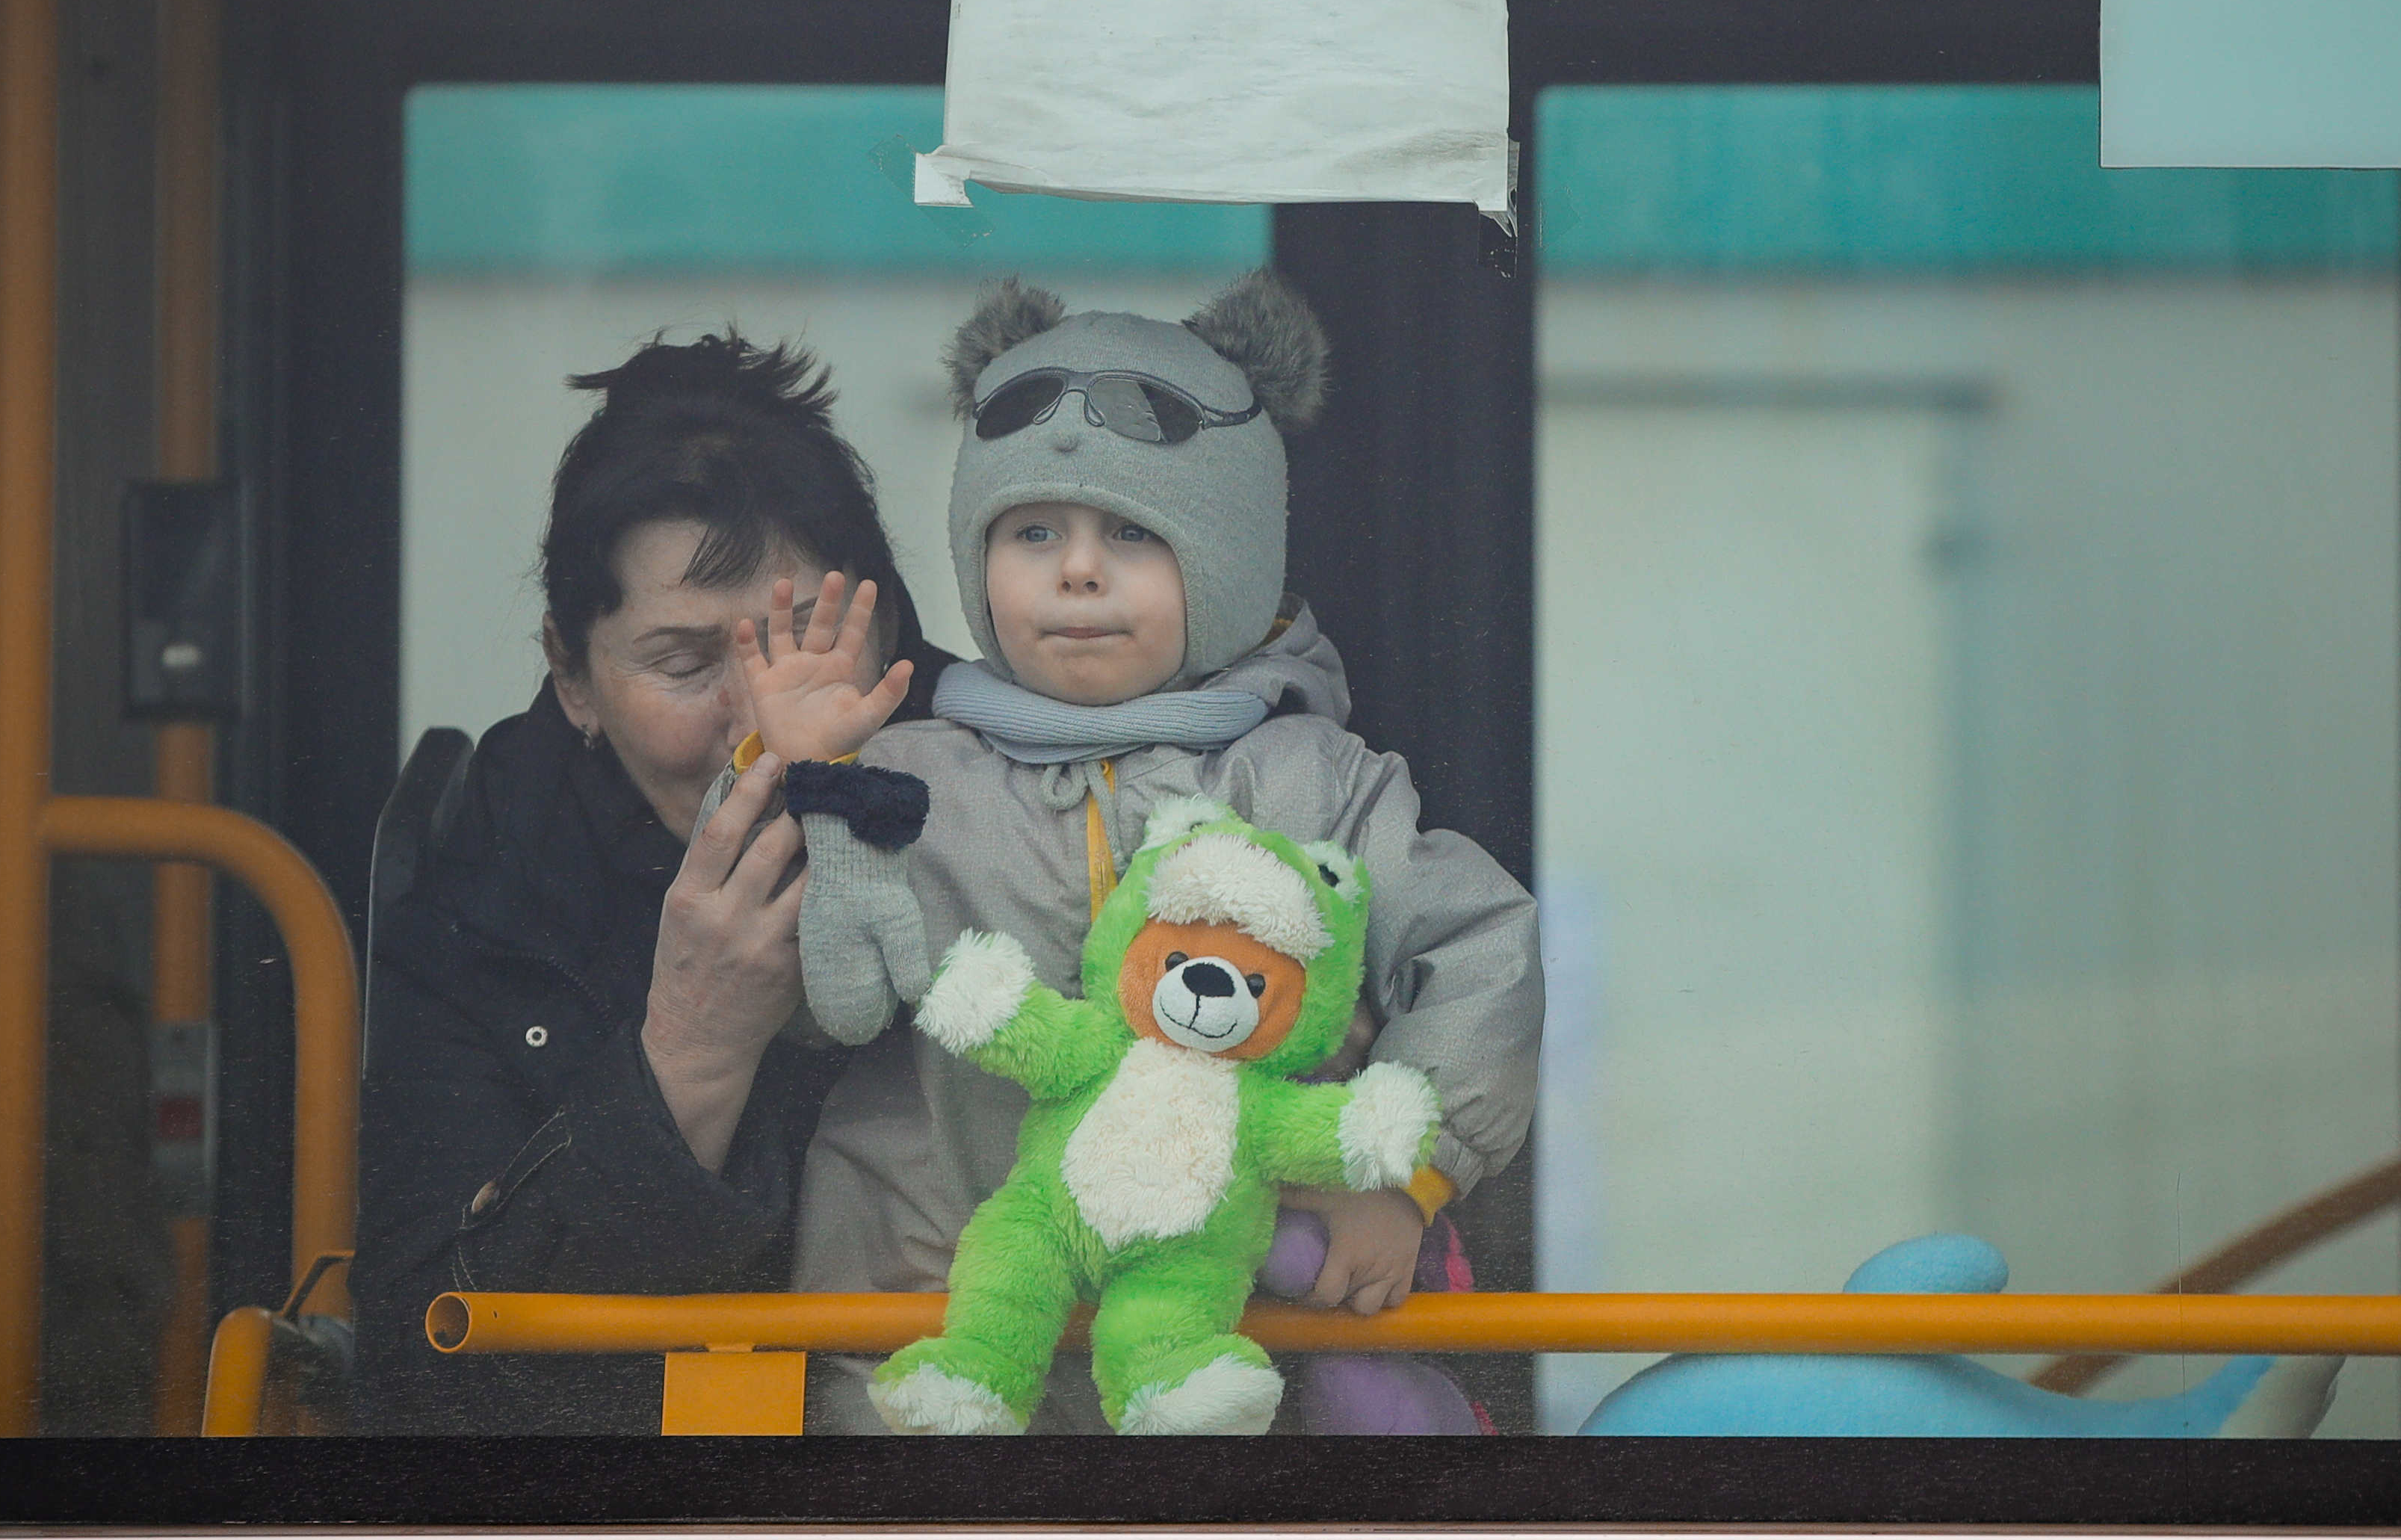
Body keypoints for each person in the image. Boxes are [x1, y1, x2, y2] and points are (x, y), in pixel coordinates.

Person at [738, 273, 1543, 1432]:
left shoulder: (1309, 777)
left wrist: (1405, 1183)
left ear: (1229, 557)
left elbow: (1486, 951)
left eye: (1132, 532)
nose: (1076, 570)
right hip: (925, 1353)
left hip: (1224, 1370)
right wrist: (796, 783)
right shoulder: (902, 769)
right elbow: (816, 1007)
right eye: (1031, 532)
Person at [353, 333, 951, 1433]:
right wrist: (689, 1050)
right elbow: (427, 1374)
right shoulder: (488, 876)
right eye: (684, 665)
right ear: (571, 677)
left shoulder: (1027, 787)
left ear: (893, 630)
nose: (760, 719)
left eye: (802, 644)